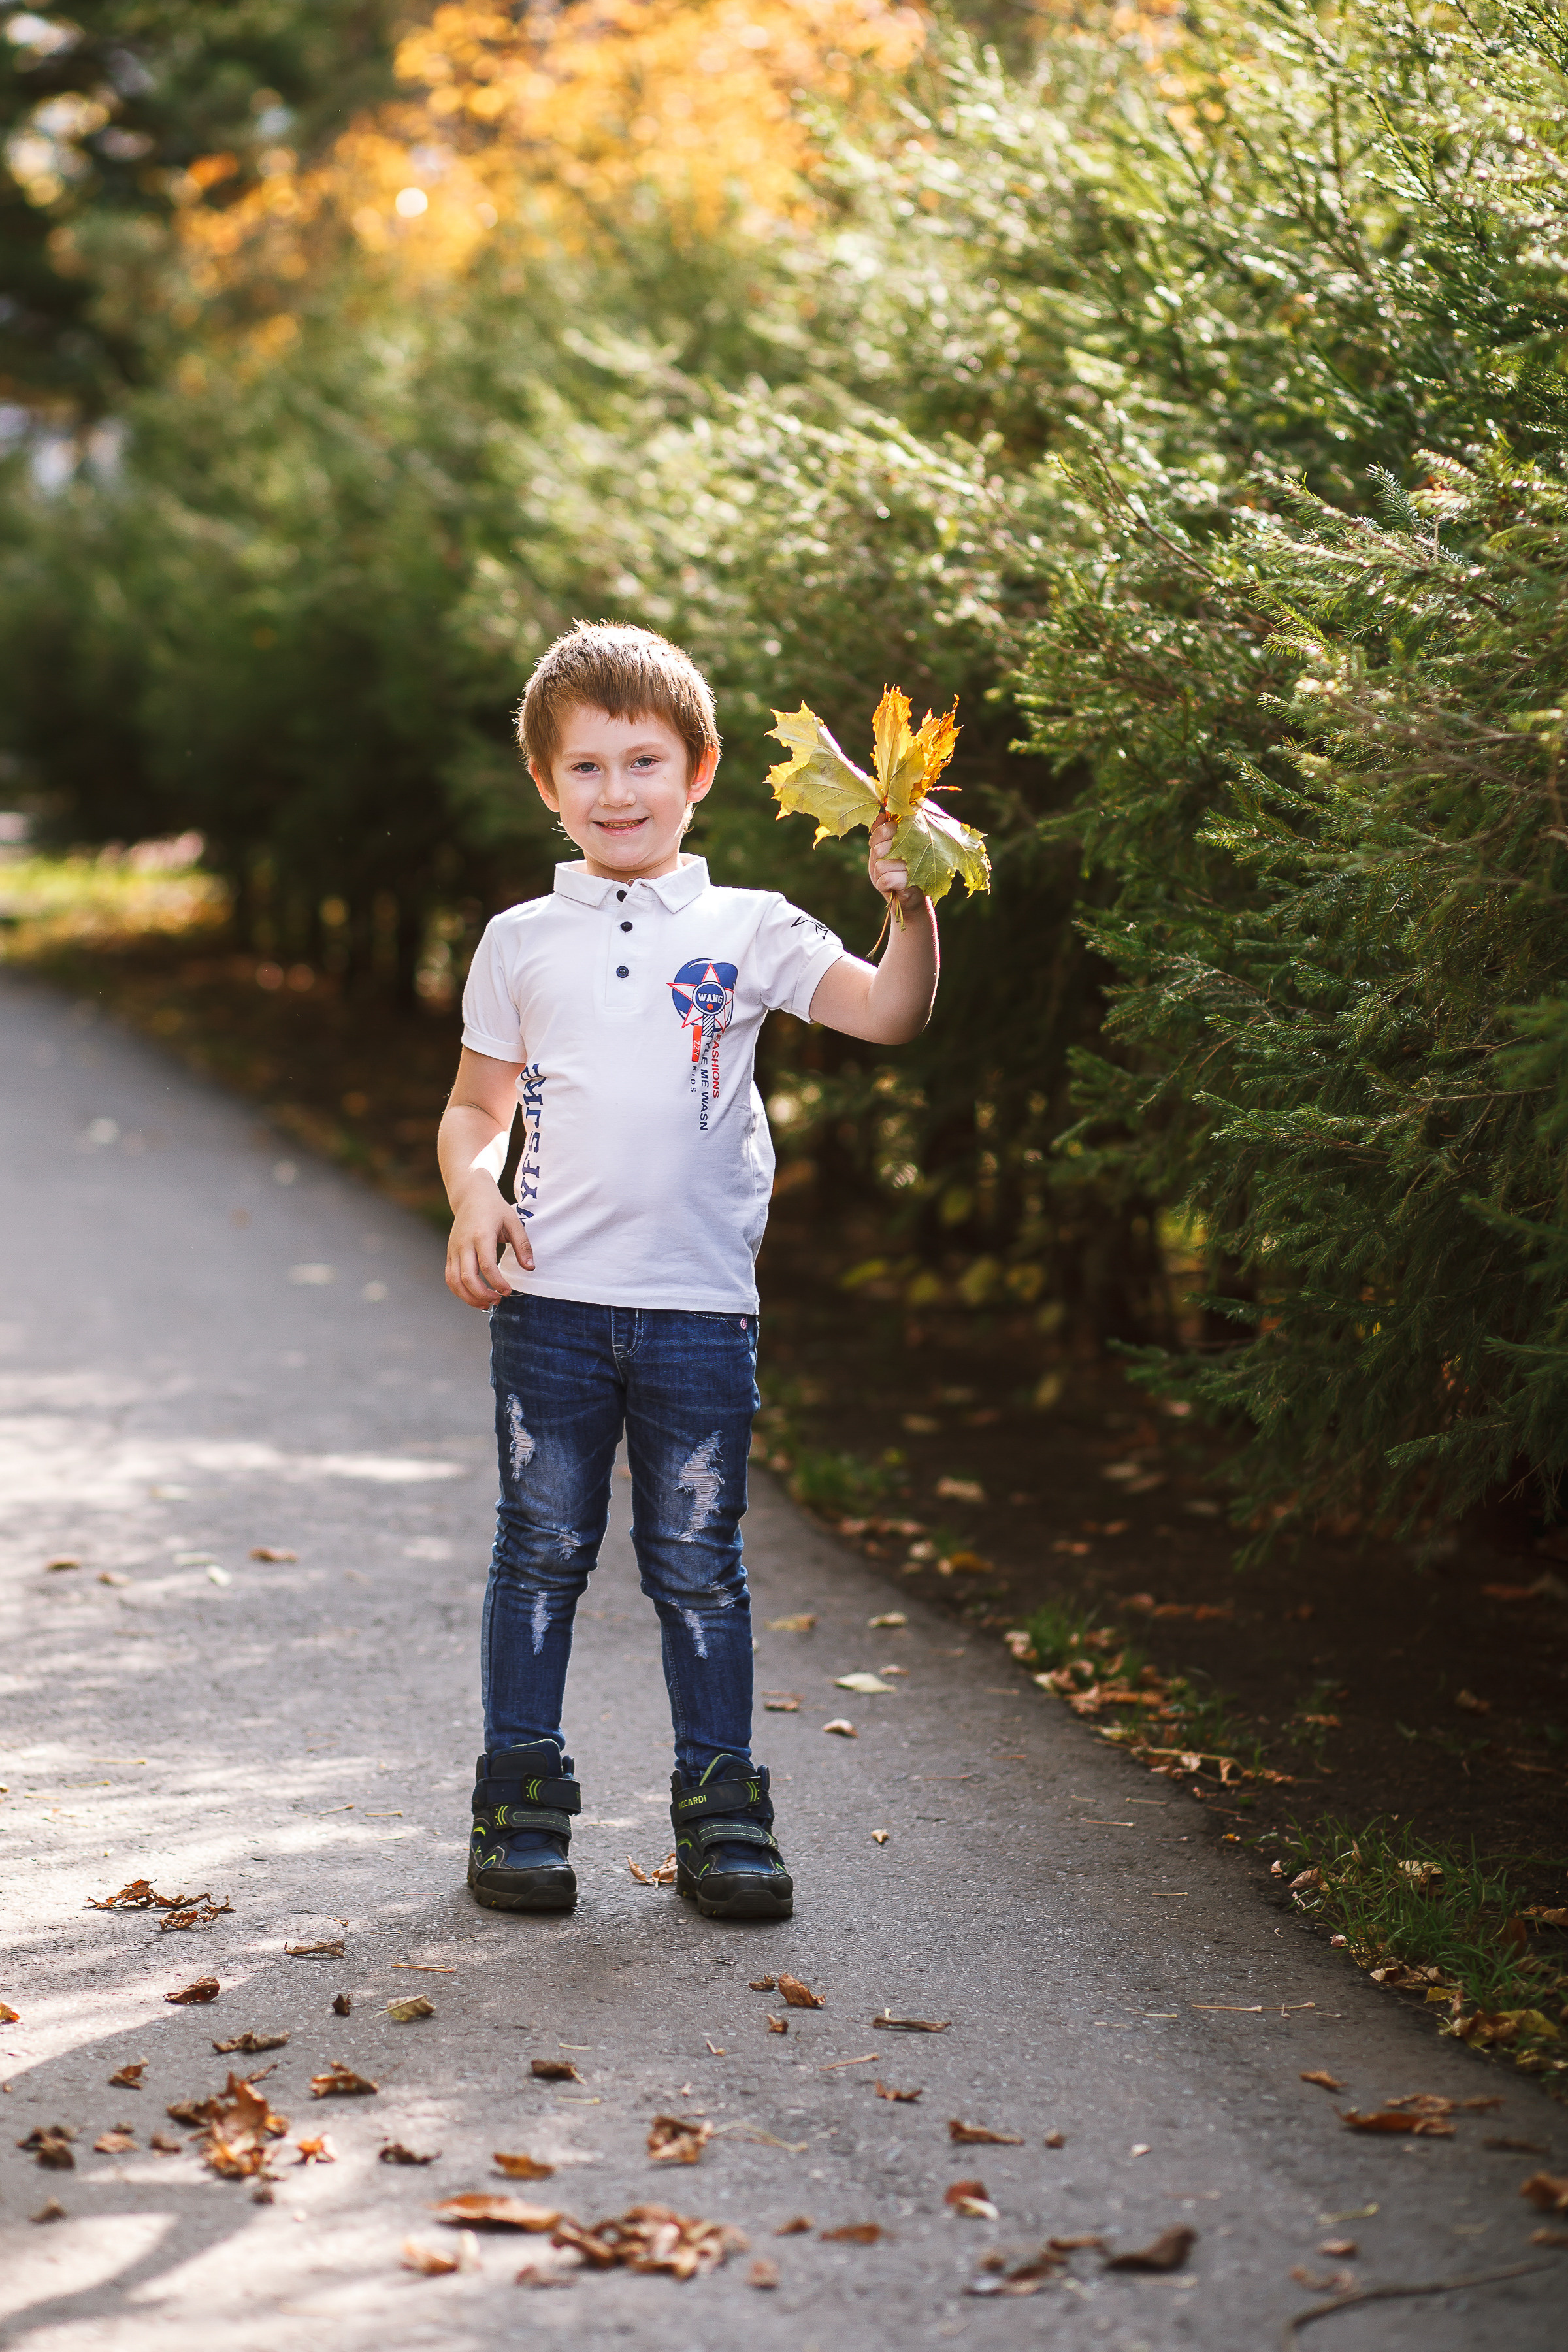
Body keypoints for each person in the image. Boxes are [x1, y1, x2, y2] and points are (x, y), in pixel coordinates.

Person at [438, 621, 938, 1921]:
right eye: (588, 768)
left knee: (697, 1561)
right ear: (548, 785)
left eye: (644, 762)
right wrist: (474, 1191)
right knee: (541, 1547)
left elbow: (890, 1011)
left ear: (700, 769)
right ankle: (521, 1803)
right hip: (548, 1306)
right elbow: (472, 1106)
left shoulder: (750, 925)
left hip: (700, 1314)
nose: (618, 792)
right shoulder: (519, 940)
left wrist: (909, 901)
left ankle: (722, 1811)